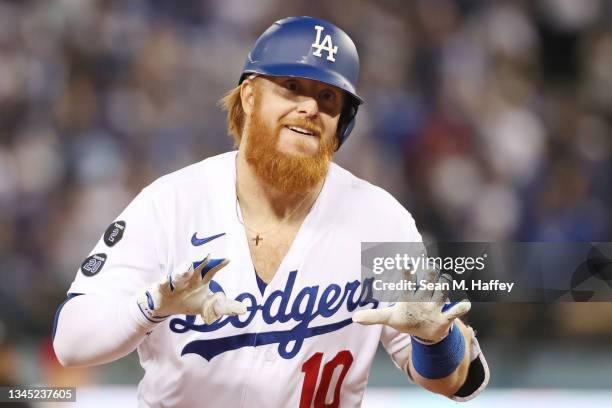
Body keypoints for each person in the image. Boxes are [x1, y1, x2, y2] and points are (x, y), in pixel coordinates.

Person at [52, 16, 489, 407]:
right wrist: (152, 307)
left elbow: (460, 383)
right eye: (291, 87)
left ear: (343, 123)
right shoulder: (171, 204)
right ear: (249, 96)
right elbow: (71, 342)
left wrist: (435, 340)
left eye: (328, 97)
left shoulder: (379, 220)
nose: (309, 107)